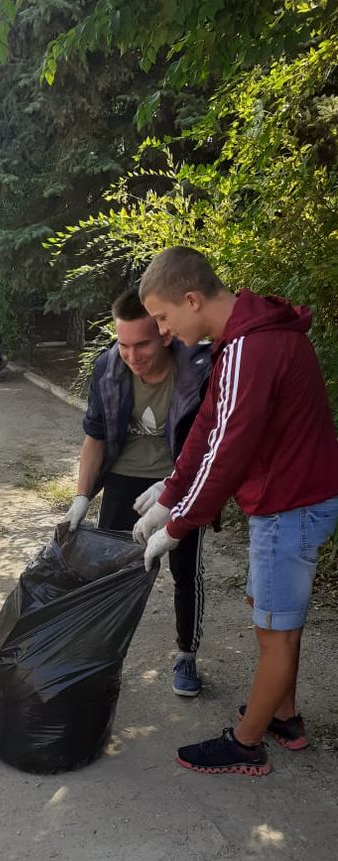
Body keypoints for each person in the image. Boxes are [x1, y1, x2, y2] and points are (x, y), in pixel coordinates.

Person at [133, 246, 338, 775]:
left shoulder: (252, 346)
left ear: (192, 298)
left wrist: (178, 525)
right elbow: (210, 422)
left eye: (162, 317)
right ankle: (284, 716)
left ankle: (245, 746)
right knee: (272, 620)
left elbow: (227, 452)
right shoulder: (245, 339)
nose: (162, 331)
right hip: (290, 502)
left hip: (288, 508)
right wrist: (171, 490)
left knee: (277, 634)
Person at [63, 287, 211, 695]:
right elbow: (94, 437)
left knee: (185, 572)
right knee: (108, 572)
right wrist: (81, 496)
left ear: (165, 334)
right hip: (124, 479)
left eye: (141, 343)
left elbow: (214, 441)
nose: (132, 356)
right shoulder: (108, 367)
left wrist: (176, 486)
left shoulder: (200, 370)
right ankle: (101, 655)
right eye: (123, 344)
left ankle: (186, 656)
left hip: (179, 480)